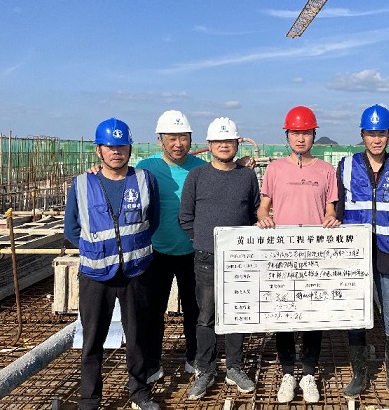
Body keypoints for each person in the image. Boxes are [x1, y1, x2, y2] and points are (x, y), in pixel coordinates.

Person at [63, 117, 161, 410]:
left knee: (138, 338)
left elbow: (152, 221)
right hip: (95, 275)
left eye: (122, 146)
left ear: (129, 148)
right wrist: (99, 250)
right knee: (92, 339)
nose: (116, 152)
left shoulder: (144, 180)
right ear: (99, 150)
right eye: (109, 146)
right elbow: (72, 230)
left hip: (135, 272)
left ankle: (139, 393)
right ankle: (89, 399)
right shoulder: (82, 184)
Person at [336, 104, 389, 405]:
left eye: (381, 133)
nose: (376, 139)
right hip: (355, 255)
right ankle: (359, 375)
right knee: (356, 316)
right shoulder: (346, 166)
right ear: (362, 135)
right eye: (371, 134)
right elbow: (337, 210)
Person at [256, 105, 341, 404]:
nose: (301, 138)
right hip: (283, 254)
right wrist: (263, 219)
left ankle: (308, 373)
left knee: (312, 315)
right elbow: (263, 207)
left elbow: (330, 209)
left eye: (305, 133)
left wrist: (331, 219)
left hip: (315, 254)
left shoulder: (326, 170)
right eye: (295, 133)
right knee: (284, 315)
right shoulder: (275, 169)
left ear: (314, 135)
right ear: (287, 136)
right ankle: (287, 373)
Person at [179, 117, 260, 401]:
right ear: (210, 145)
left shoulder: (247, 177)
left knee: (237, 313)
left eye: (229, 141)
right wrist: (203, 241)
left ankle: (234, 367)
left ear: (237, 144)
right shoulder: (197, 176)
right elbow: (186, 217)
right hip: (206, 257)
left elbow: (254, 212)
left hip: (239, 258)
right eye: (218, 141)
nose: (224, 146)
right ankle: (205, 369)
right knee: (206, 316)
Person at [135, 110, 206, 382]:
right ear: (160, 140)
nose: (178, 144)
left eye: (183, 138)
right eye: (172, 138)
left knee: (195, 309)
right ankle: (153, 363)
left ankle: (194, 357)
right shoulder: (147, 167)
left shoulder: (200, 168)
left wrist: (242, 164)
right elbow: (119, 178)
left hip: (192, 250)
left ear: (191, 139)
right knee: (153, 310)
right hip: (156, 251)